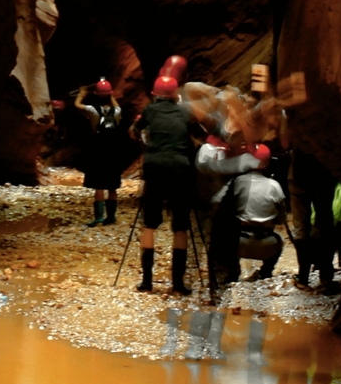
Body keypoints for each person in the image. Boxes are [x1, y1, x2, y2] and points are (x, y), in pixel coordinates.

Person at [132, 74, 196, 295]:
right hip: (180, 167)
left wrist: (147, 143)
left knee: (149, 223)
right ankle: (178, 284)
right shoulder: (185, 112)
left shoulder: (150, 111)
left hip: (155, 166)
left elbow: (135, 130)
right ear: (175, 95)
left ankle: (147, 282)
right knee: (180, 226)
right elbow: (194, 138)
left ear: (156, 95)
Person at [195, 133, 261, 281]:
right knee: (226, 236)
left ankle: (222, 271)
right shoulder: (242, 162)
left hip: (219, 207)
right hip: (226, 209)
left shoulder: (213, 157)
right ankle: (228, 270)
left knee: (219, 236)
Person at [222, 144, 287, 281]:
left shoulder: (237, 182)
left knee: (222, 234)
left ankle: (233, 270)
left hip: (237, 244)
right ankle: (266, 272)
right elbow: (281, 220)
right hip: (267, 246)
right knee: (280, 239)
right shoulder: (275, 186)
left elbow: (224, 214)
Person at [74, 79, 123, 226]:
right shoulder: (117, 111)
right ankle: (111, 217)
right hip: (113, 151)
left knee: (99, 184)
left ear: (96, 95)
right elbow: (116, 105)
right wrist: (111, 94)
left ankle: (99, 217)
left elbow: (77, 106)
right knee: (112, 185)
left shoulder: (93, 110)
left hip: (98, 150)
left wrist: (81, 94)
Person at [289, 148, 337, 290]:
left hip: (299, 174)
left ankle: (303, 277)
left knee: (300, 225)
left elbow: (284, 143)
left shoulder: (296, 129)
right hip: (323, 175)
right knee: (324, 224)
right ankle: (326, 277)